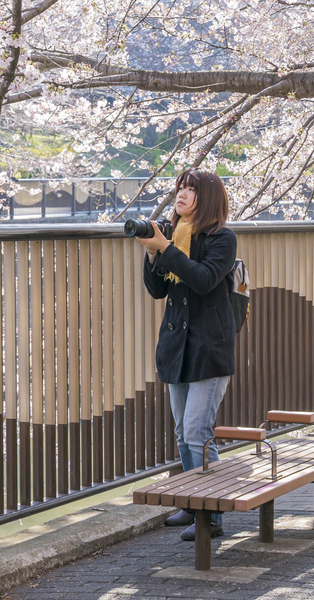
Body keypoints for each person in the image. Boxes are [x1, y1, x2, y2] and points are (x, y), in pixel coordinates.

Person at [136, 168, 237, 541]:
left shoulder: (222, 239)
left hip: (209, 350)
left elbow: (203, 279)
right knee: (183, 432)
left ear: (207, 198)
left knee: (198, 432)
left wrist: (165, 249)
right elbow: (158, 290)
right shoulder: (174, 236)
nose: (182, 193)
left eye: (191, 189)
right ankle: (194, 504)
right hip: (177, 349)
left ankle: (214, 515)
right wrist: (152, 254)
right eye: (180, 186)